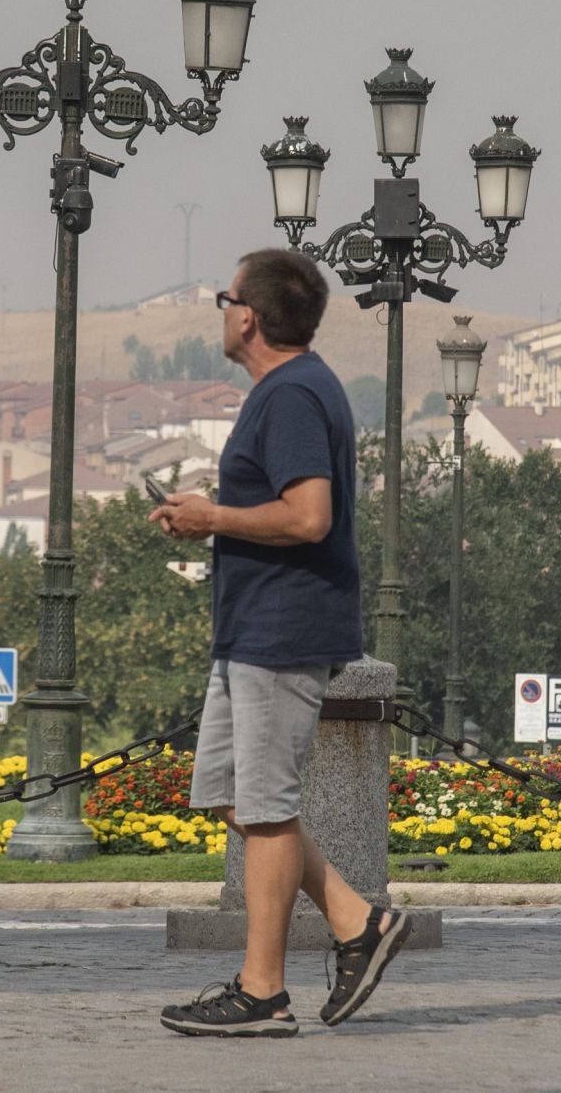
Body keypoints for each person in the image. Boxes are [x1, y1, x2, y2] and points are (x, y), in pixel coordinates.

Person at [149, 248, 412, 1038]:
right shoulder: (287, 390)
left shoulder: (295, 393)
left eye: (225, 298)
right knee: (234, 798)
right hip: (252, 630)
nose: (222, 310)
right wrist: (209, 517)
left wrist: (211, 518)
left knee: (264, 806)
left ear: (248, 316)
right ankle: (356, 919)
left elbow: (309, 517)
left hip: (282, 631)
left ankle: (262, 992)